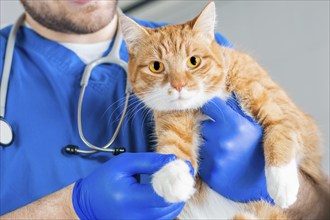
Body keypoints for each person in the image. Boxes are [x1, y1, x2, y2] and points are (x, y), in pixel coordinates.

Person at [1, 1, 327, 219]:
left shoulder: (206, 50)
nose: (179, 80)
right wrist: (72, 207)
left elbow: (320, 209)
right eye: (157, 67)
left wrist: (266, 179)